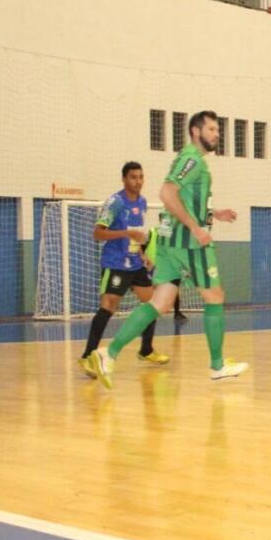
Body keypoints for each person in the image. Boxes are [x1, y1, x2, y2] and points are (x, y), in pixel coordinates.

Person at [87, 111, 247, 387]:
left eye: (217, 129)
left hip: (170, 241)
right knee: (215, 296)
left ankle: (107, 354)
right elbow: (167, 193)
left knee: (159, 303)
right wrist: (196, 228)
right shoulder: (192, 159)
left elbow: (182, 199)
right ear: (196, 131)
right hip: (188, 242)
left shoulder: (189, 159)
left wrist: (212, 214)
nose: (216, 134)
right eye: (211, 129)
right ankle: (217, 365)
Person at [78, 162, 169, 378]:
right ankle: (87, 356)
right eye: (133, 177)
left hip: (135, 263)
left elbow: (136, 235)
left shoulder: (142, 202)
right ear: (124, 179)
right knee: (108, 307)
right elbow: (97, 234)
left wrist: (143, 255)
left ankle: (146, 350)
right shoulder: (115, 203)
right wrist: (125, 234)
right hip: (115, 263)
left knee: (153, 303)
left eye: (141, 177)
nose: (138, 181)